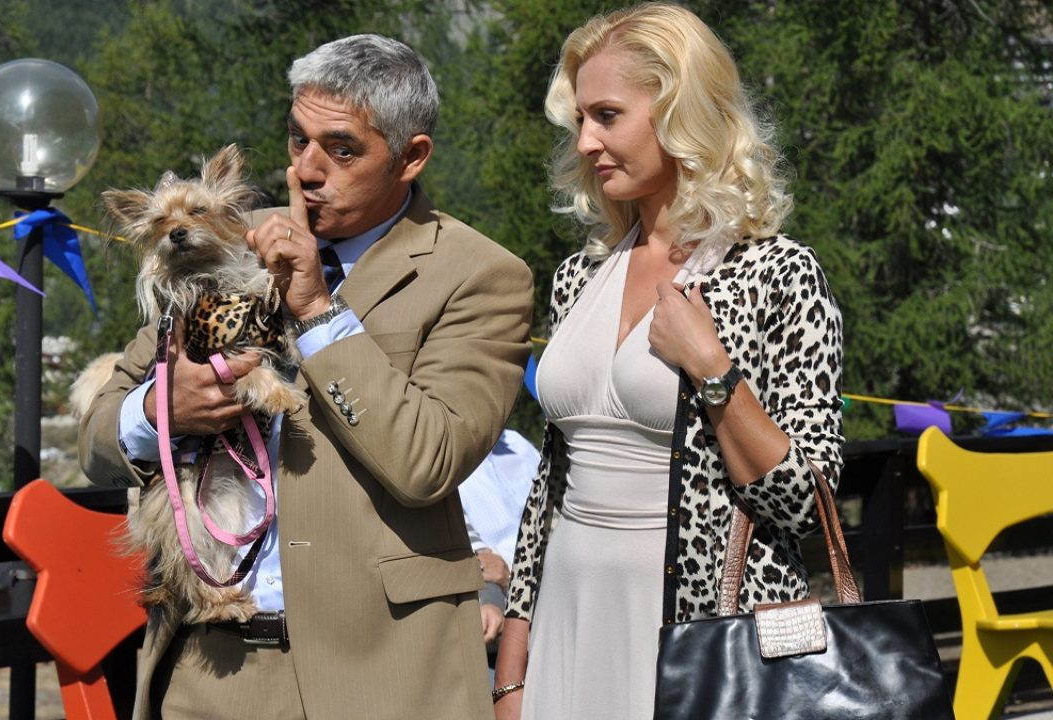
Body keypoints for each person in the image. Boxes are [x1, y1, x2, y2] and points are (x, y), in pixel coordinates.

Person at [78, 34, 534, 720]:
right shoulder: (224, 236)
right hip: (212, 669)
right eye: (298, 140)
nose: (307, 169)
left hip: (381, 678)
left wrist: (319, 309)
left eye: (342, 149)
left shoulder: (479, 275)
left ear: (411, 156)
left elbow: (428, 462)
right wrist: (159, 411)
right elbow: (96, 439)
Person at [492, 4, 844, 719]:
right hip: (568, 617)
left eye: (607, 116)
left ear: (681, 113)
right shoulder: (578, 278)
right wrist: (513, 662)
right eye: (581, 120)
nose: (586, 142)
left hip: (702, 632)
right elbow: (551, 487)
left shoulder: (777, 274)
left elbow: (804, 504)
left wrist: (712, 368)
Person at [458, 428, 540, 647]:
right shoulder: (445, 455)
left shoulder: (517, 443)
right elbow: (485, 564)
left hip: (551, 590)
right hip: (496, 603)